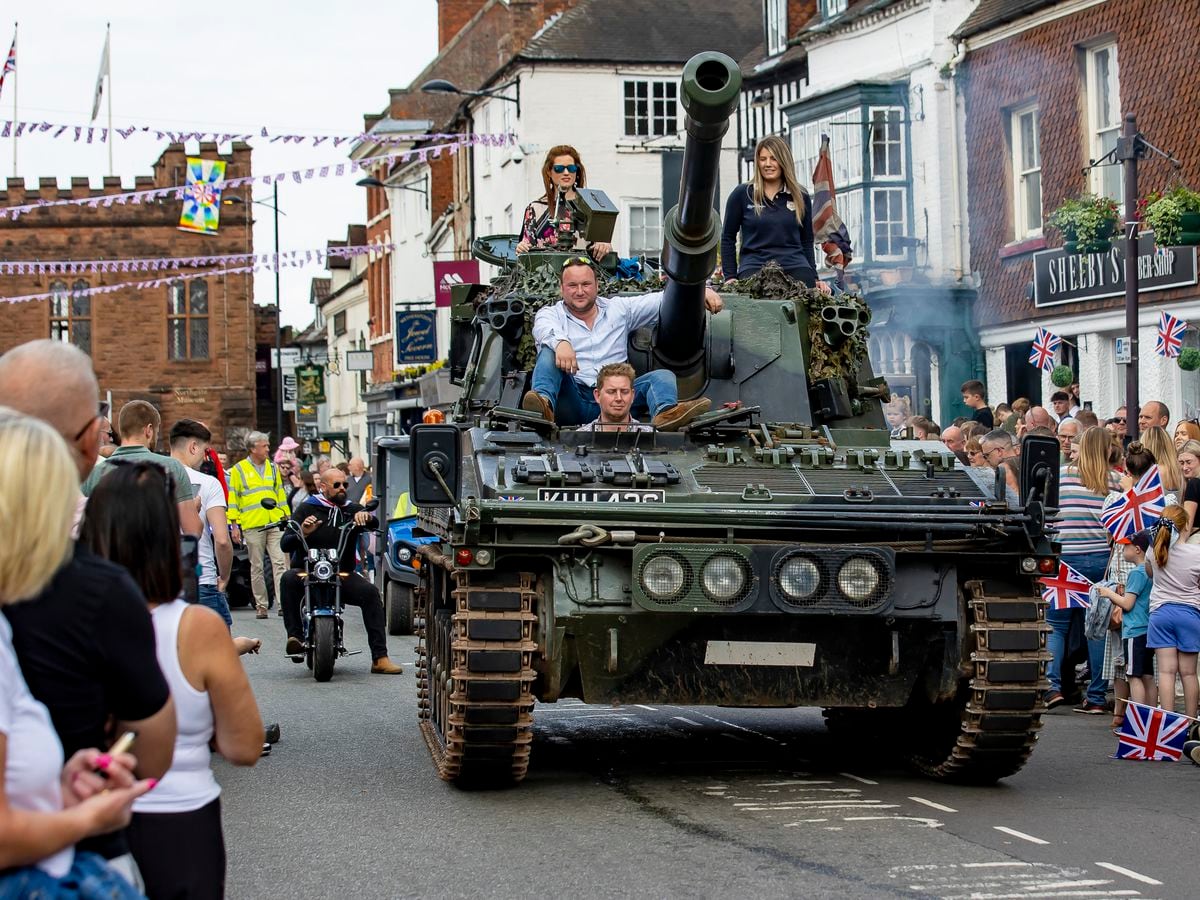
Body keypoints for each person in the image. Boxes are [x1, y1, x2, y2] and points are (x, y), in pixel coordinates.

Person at [0, 343, 177, 871]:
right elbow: (150, 751)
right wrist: (85, 810)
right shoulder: (94, 590)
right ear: (81, 445)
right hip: (72, 862)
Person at [80, 462, 264, 900]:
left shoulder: (71, 616)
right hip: (180, 816)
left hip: (85, 817)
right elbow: (244, 745)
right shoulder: (197, 627)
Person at [521, 257, 719, 430]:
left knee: (662, 377)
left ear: (597, 285)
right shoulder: (551, 314)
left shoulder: (619, 309)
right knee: (548, 352)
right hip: (573, 397)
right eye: (572, 285)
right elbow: (543, 328)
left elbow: (663, 300)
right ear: (562, 288)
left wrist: (700, 291)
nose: (580, 291)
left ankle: (665, 414)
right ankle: (542, 406)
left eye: (586, 284)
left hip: (618, 398)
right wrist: (561, 343)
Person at [279, 470, 404, 675]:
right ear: (323, 487)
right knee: (288, 579)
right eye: (336, 485)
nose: (342, 489)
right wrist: (302, 531)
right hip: (308, 571)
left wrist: (365, 517)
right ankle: (296, 639)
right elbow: (285, 543)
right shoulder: (307, 507)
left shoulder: (350, 509)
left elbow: (374, 523)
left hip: (341, 573)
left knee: (371, 593)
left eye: (344, 485)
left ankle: (380, 658)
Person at [1047, 426, 1120, 713]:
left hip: (1065, 560)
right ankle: (1097, 697)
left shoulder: (1061, 476)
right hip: (1101, 561)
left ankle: (1051, 689)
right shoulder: (1114, 480)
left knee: (1057, 625)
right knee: (1097, 627)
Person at [720, 136, 832, 292]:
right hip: (754, 266)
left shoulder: (800, 196)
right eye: (763, 159)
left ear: (783, 161)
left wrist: (814, 278)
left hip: (795, 265)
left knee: (810, 297)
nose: (767, 164)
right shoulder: (742, 194)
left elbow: (807, 241)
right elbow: (727, 237)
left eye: (773, 158)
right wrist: (730, 277)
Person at [82, 399, 203, 536]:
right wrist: (194, 509)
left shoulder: (93, 473)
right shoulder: (172, 468)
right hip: (158, 555)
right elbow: (193, 531)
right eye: (157, 433)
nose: (156, 438)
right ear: (149, 430)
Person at [170, 419, 235, 629]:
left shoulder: (150, 476)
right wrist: (223, 577)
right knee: (216, 652)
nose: (204, 458)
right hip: (201, 577)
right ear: (193, 447)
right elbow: (222, 540)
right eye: (204, 451)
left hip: (162, 580)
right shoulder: (209, 483)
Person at [1095, 524, 1158, 726]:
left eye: (1126, 547)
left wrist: (1108, 593)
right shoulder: (1149, 572)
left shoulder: (1136, 574)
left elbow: (1127, 604)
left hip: (1134, 630)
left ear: (1137, 549)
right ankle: (1150, 716)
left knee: (1134, 675)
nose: (1122, 551)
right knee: (1148, 675)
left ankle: (1137, 719)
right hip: (1147, 628)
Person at [1143, 505, 1200, 721]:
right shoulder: (1196, 553)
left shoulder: (1153, 550)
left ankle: (1167, 724)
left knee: (1166, 672)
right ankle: (1191, 721)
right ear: (1186, 525)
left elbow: (1149, 573)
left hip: (1160, 614)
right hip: (1189, 614)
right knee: (1188, 673)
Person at [227, 431, 291, 619]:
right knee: (256, 567)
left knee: (279, 563)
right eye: (265, 446)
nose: (268, 449)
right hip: (252, 524)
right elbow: (233, 498)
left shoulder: (272, 468)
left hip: (275, 522)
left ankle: (282, 604)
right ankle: (261, 605)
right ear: (253, 448)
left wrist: (285, 515)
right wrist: (234, 524)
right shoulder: (239, 470)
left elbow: (279, 493)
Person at [514, 145, 612, 260]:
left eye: (571, 168)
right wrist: (521, 247)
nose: (566, 173)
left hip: (584, 272)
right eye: (559, 169)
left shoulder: (593, 204)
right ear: (549, 172)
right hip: (546, 273)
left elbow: (604, 244)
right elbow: (527, 247)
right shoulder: (536, 208)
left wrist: (605, 245)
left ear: (577, 171)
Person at [577, 363, 654, 433]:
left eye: (624, 392)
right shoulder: (579, 437)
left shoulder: (651, 436)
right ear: (597, 395)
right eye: (611, 392)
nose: (619, 398)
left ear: (633, 395)